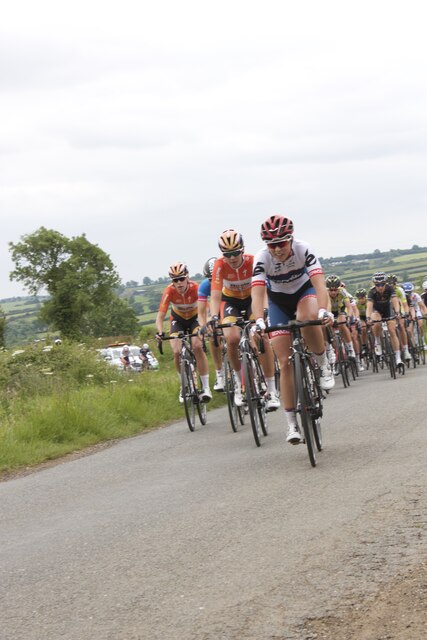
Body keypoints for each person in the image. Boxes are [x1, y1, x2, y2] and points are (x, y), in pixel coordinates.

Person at [251, 214, 335, 445]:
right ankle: (291, 424)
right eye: (271, 245)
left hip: (304, 293)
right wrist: (259, 320)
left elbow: (319, 283)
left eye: (281, 243)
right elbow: (257, 293)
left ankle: (323, 363)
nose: (276, 249)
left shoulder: (303, 249)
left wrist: (324, 310)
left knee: (306, 317)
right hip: (278, 302)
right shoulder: (261, 258)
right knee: (284, 362)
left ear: (291, 239)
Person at [208, 229, 280, 411]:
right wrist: (214, 317)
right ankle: (241, 384)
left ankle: (271, 389)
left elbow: (262, 290)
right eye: (227, 254)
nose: (232, 258)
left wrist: (263, 312)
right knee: (231, 339)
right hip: (230, 301)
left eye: (235, 253)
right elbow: (215, 296)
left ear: (242, 249)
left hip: (252, 300)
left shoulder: (252, 261)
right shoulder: (219, 265)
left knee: (260, 336)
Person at [155, 262, 212, 403]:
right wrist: (161, 332)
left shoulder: (196, 288)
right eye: (175, 280)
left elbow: (207, 310)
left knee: (197, 346)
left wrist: (207, 324)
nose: (179, 283)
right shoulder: (169, 291)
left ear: (187, 277)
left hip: (195, 318)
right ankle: (184, 385)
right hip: (178, 320)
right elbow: (160, 317)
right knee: (176, 351)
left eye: (181, 279)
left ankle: (206, 388)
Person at [197, 257, 225, 391]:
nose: (213, 281)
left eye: (215, 277)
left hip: (232, 306)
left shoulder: (229, 280)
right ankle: (220, 373)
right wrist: (203, 327)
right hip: (217, 311)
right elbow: (201, 312)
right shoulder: (204, 286)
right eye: (210, 279)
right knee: (212, 333)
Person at [366, 272, 403, 366]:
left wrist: (398, 312)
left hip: (388, 309)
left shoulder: (390, 289)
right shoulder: (372, 292)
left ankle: (398, 358)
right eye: (377, 285)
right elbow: (369, 307)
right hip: (376, 310)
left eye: (382, 284)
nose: (380, 287)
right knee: (376, 322)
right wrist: (368, 318)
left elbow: (395, 301)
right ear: (375, 284)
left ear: (385, 283)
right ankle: (378, 340)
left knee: (392, 331)